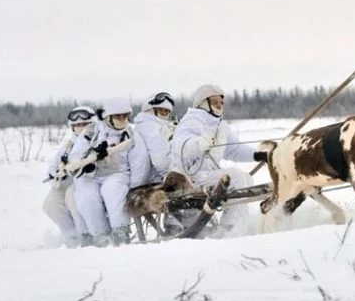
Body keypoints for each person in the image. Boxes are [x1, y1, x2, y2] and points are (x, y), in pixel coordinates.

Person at [170, 84, 258, 237]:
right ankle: (229, 227)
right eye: (215, 102)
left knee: (246, 178)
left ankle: (240, 224)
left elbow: (234, 150)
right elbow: (181, 147)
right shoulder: (192, 120)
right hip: (191, 176)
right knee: (235, 177)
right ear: (203, 103)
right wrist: (199, 144)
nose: (219, 105)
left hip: (209, 174)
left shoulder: (220, 125)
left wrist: (258, 155)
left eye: (221, 102)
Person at [70, 98, 151, 246]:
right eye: (118, 116)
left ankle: (121, 232)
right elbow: (75, 157)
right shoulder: (90, 133)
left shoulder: (130, 136)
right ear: (108, 117)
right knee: (86, 198)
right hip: (91, 176)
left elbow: (140, 162)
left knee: (113, 191)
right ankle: (100, 235)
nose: (122, 119)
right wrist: (84, 164)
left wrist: (135, 187)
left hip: (117, 173)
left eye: (125, 116)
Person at [42, 105, 96, 247]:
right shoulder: (69, 145)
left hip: (90, 181)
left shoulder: (97, 139)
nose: (80, 127)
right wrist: (55, 173)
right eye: (77, 125)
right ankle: (71, 235)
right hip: (70, 182)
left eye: (84, 124)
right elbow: (54, 165)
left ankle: (87, 235)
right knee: (50, 204)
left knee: (72, 196)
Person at [133, 91, 183, 235]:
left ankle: (184, 224)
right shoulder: (150, 128)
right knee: (179, 181)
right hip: (150, 182)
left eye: (167, 111)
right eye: (161, 110)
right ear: (150, 109)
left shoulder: (155, 126)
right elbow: (162, 162)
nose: (164, 114)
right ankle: (174, 226)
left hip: (153, 177)